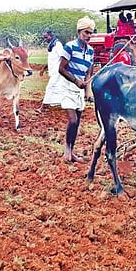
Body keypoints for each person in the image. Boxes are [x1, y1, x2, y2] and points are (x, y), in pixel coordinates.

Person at [58, 16, 95, 163]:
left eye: (91, 33)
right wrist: (75, 80)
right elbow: (61, 68)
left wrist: (87, 90)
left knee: (77, 122)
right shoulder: (70, 47)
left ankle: (71, 152)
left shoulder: (91, 51)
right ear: (79, 32)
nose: (89, 36)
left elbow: (89, 71)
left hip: (79, 89)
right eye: (86, 33)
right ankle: (67, 151)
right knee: (72, 120)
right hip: (68, 87)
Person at [36, 28, 64, 113]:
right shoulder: (51, 45)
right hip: (53, 71)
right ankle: (59, 103)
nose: (45, 39)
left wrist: (63, 69)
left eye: (46, 37)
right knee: (58, 88)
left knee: (50, 87)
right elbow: (51, 60)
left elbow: (63, 57)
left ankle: (43, 107)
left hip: (58, 71)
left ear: (50, 35)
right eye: (44, 37)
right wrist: (43, 69)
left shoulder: (57, 44)